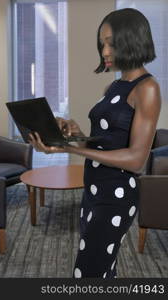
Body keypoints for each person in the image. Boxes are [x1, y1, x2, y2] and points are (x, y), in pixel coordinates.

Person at [29, 8, 161, 278]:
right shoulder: (113, 87)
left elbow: (137, 159)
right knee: (102, 271)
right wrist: (74, 133)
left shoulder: (147, 88)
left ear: (132, 39)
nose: (104, 51)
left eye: (111, 42)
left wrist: (68, 148)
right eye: (102, 43)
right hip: (94, 190)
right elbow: (105, 143)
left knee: (88, 273)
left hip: (116, 196)